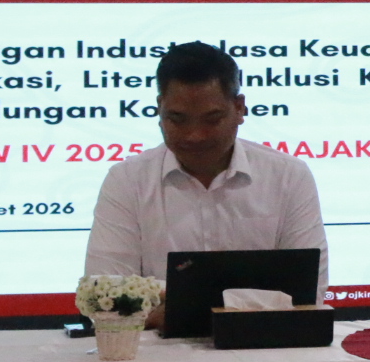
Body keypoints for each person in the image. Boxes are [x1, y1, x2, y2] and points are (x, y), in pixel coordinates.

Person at [85, 41, 327, 326]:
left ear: (239, 108)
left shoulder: (288, 176)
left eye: (212, 119)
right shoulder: (127, 180)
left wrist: (174, 308)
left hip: (264, 348)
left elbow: (307, 296)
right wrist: (247, 303)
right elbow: (105, 297)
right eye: (177, 119)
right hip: (156, 353)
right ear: (160, 109)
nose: (195, 135)